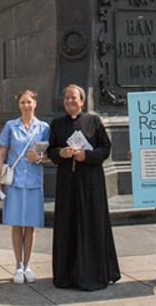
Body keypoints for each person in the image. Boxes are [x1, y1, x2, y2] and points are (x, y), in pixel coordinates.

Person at [47, 84, 120, 291]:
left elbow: (105, 148)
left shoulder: (93, 121)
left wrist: (86, 156)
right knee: (68, 224)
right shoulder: (57, 124)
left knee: (91, 223)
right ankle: (66, 275)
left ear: (82, 101)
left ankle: (94, 273)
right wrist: (61, 153)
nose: (70, 101)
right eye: (67, 98)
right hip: (67, 184)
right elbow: (51, 150)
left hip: (90, 182)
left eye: (73, 98)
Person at [0, 89, 50, 284]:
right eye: (23, 102)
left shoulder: (43, 127)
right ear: (19, 105)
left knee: (30, 227)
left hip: (34, 181)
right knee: (16, 225)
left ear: (35, 104)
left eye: (29, 102)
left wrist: (40, 158)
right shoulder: (10, 126)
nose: (26, 105)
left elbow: (49, 154)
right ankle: (17, 265)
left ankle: (28, 265)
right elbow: (1, 153)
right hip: (14, 182)